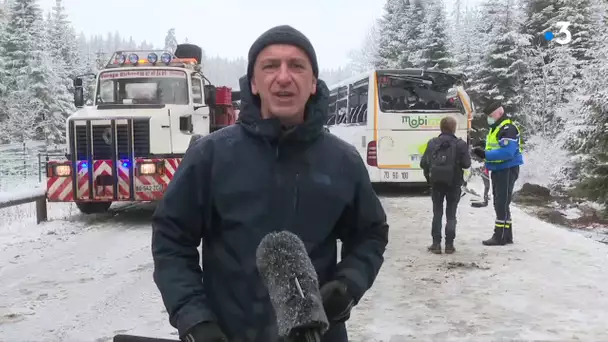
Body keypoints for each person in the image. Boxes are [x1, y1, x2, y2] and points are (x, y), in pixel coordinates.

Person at [151, 25, 389, 342]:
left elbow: (370, 234)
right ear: (253, 82)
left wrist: (348, 285)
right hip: (230, 334)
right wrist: (195, 320)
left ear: (313, 82)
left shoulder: (343, 161)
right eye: (270, 66)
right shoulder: (210, 156)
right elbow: (171, 239)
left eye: (297, 65)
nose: (283, 76)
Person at [472, 101, 523, 245]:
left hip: (506, 169)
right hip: (499, 169)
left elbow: (507, 152)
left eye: (491, 115)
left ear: (500, 113)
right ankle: (507, 235)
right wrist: (483, 145)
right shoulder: (497, 128)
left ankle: (499, 236)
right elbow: (496, 145)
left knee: (501, 203)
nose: (489, 118)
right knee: (502, 203)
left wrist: (485, 154)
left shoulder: (508, 128)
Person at [420, 116, 471, 254]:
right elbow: (467, 164)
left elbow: (423, 163)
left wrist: (429, 178)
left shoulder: (432, 143)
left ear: (441, 128)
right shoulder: (460, 144)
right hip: (454, 184)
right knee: (451, 214)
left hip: (436, 184)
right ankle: (449, 245)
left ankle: (436, 244)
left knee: (437, 213)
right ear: (454, 128)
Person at [470, 139, 491, 208]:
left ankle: (484, 199)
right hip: (483, 168)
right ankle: (484, 198)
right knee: (486, 184)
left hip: (485, 169)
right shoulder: (480, 152)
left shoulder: (476, 151)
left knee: (486, 184)